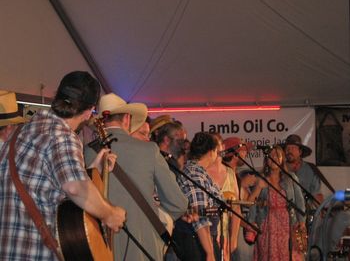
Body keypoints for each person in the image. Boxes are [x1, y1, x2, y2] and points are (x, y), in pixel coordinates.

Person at [0, 71, 126, 260]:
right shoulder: (62, 135)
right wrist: (110, 214)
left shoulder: (22, 131)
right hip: (34, 252)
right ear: (88, 111)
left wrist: (92, 171)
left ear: (56, 95)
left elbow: (45, 183)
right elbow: (75, 188)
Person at [84, 93, 188, 261]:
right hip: (142, 245)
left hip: (98, 246)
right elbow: (178, 203)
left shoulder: (86, 152)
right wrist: (158, 217)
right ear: (127, 118)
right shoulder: (149, 150)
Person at [248, 145, 306, 261]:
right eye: (271, 156)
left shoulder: (290, 178)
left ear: (282, 159)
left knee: (287, 254)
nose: (274, 158)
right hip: (266, 223)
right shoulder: (261, 179)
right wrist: (251, 222)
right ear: (266, 160)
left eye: (277, 155)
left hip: (287, 222)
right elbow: (253, 203)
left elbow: (300, 201)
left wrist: (302, 222)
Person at [173, 132, 221, 261]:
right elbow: (199, 217)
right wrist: (209, 253)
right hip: (198, 243)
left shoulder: (199, 172)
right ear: (212, 152)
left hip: (203, 240)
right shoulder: (195, 174)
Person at [221, 137, 252, 260]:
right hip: (224, 232)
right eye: (243, 150)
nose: (246, 153)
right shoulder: (224, 174)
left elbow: (241, 204)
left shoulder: (235, 175)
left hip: (231, 232)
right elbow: (232, 208)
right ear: (234, 154)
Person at [283, 134, 324, 203]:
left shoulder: (311, 169)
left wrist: (319, 211)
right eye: (287, 149)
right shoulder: (279, 169)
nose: (289, 151)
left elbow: (317, 194)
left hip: (306, 211)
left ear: (300, 152)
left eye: (293, 148)